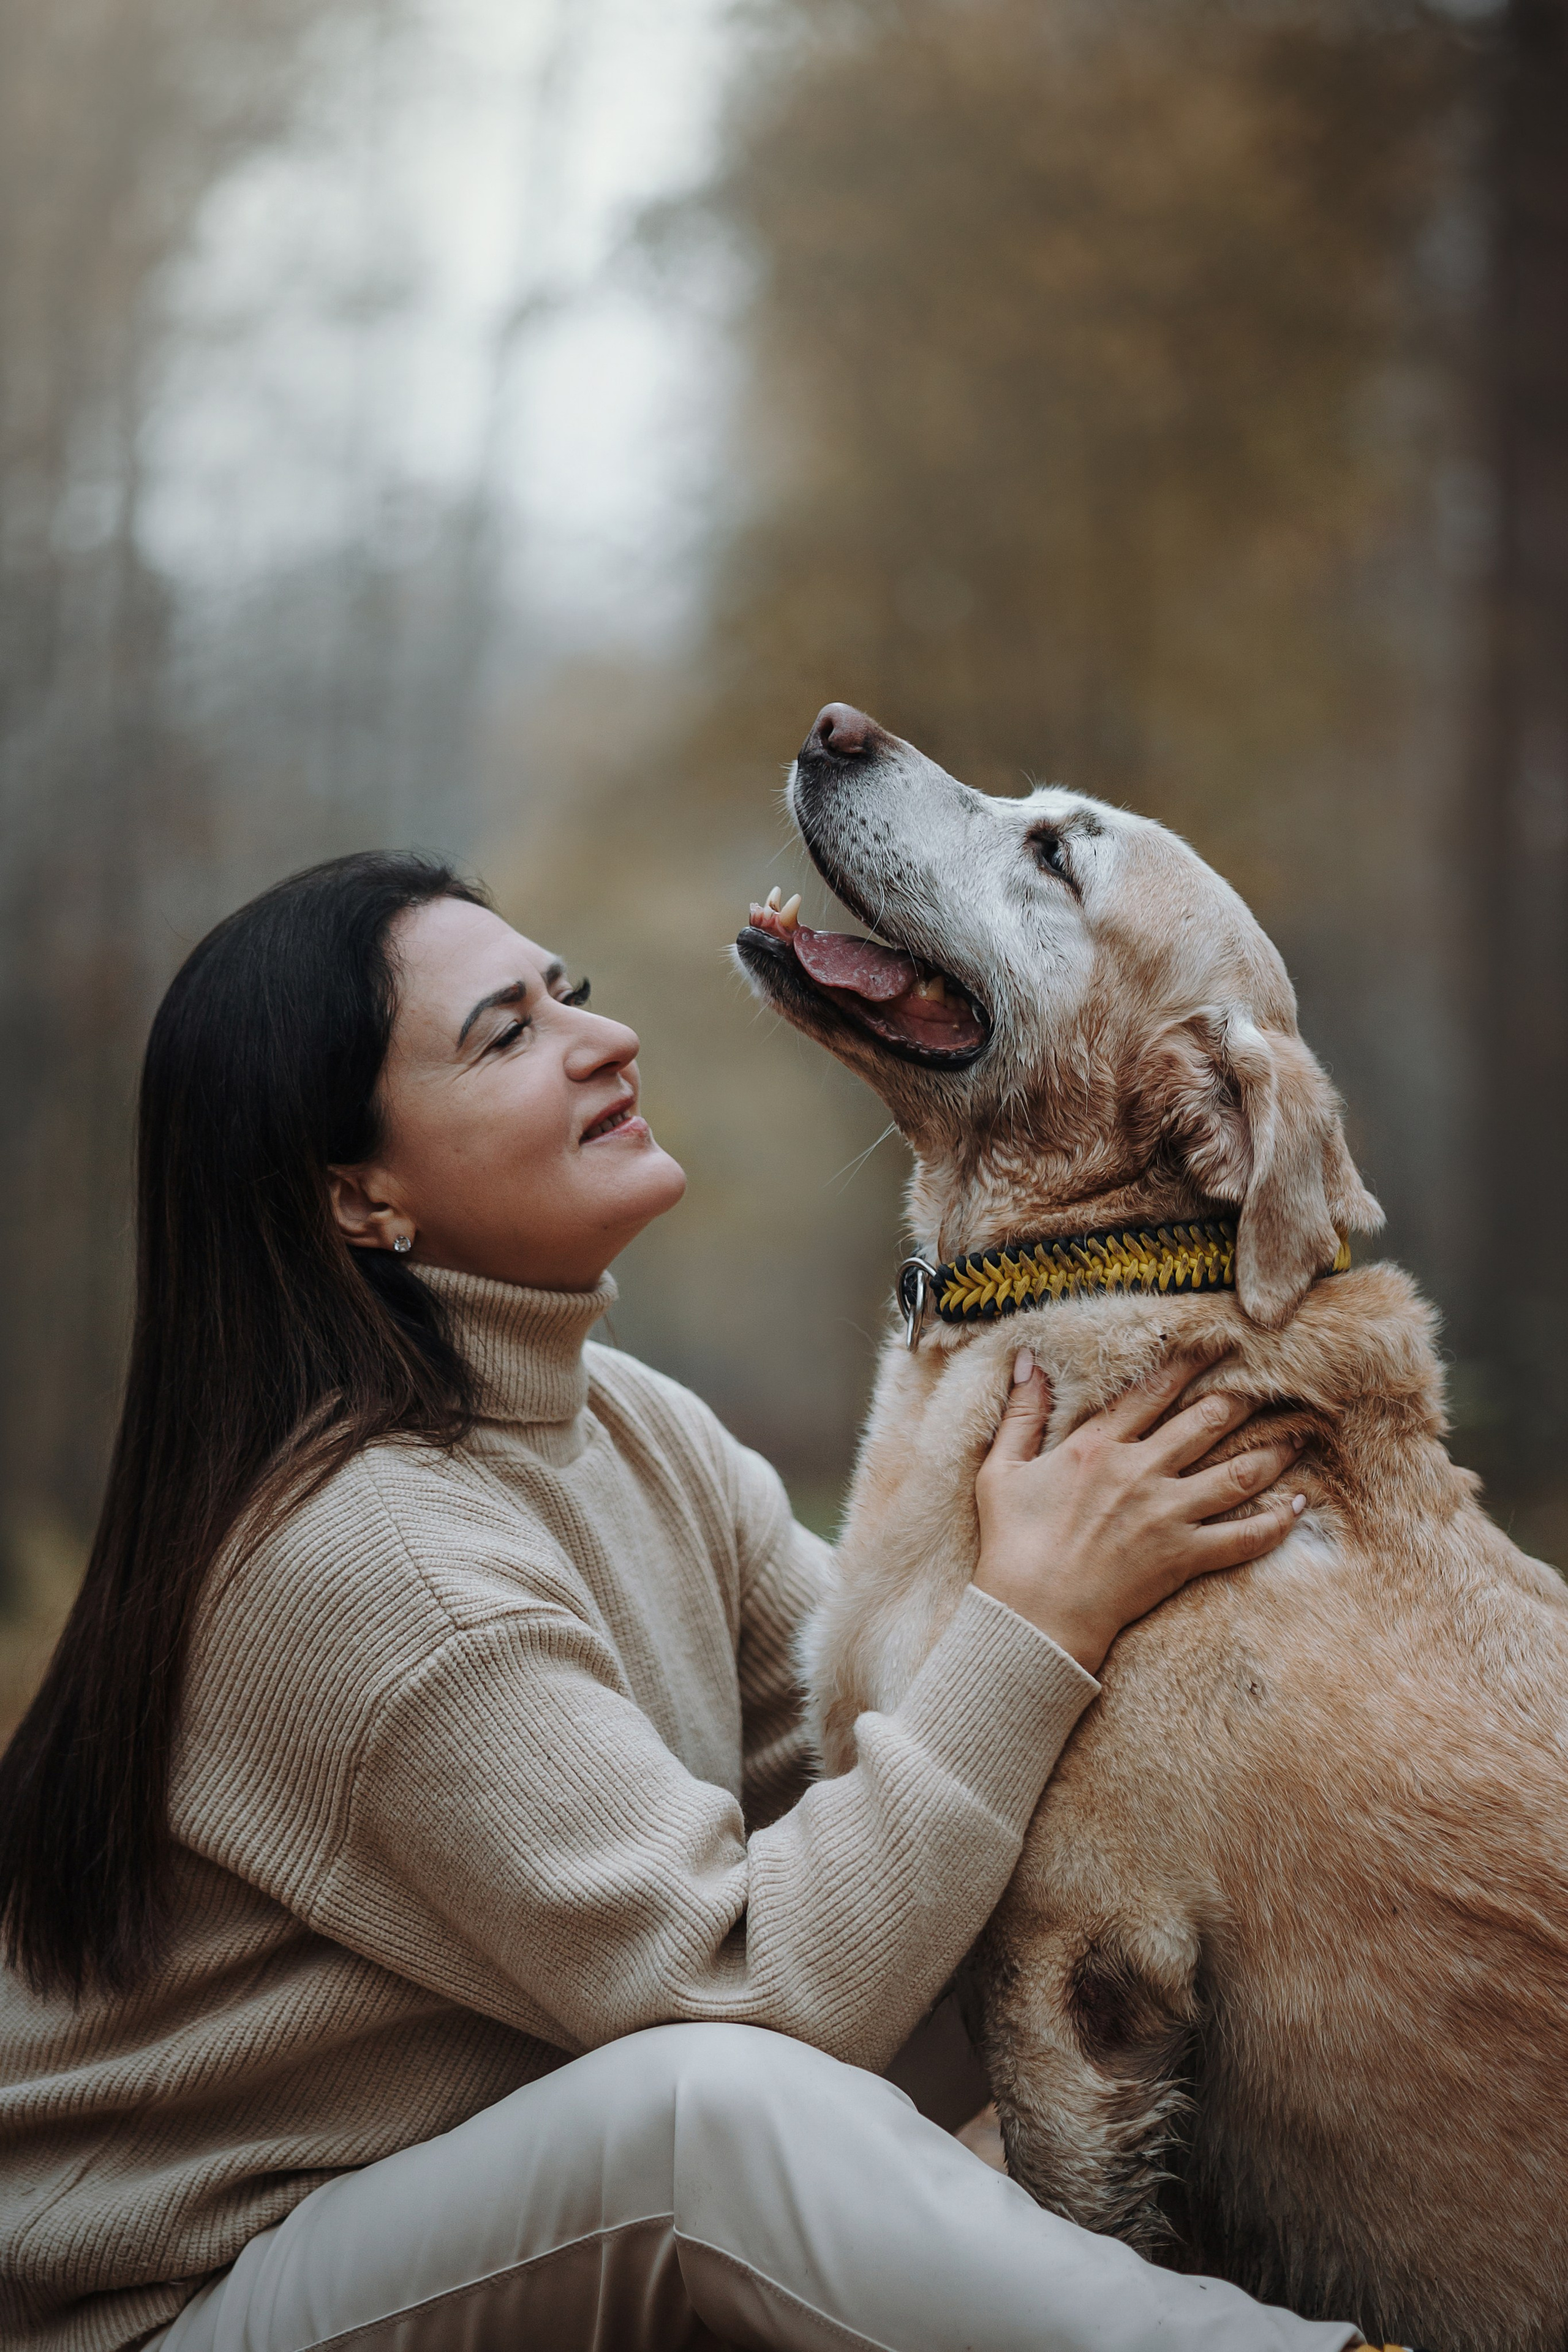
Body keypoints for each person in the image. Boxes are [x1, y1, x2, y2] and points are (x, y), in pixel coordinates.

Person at [0, 853, 1363, 2352]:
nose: (604, 1038)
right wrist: (1031, 1619)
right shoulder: (369, 1561)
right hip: (194, 2305)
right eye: (505, 1035)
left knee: (1045, 1948)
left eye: (563, 993)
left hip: (471, 2214)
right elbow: (747, 1994)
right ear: (359, 1196)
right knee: (705, 2126)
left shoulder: (627, 1427)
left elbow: (878, 1781)